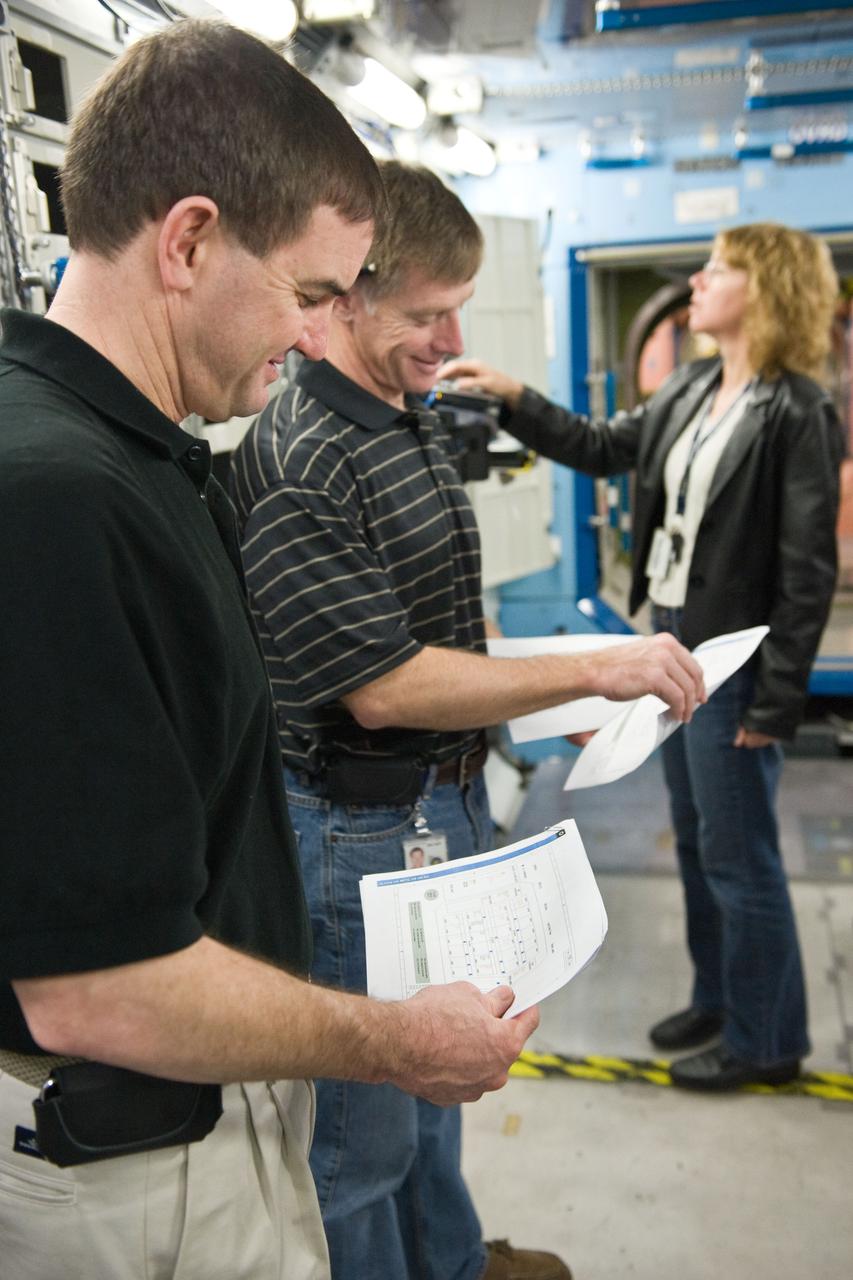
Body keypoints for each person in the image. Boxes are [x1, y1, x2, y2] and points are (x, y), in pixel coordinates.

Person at [0, 24, 550, 1280]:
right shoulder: (52, 502)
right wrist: (394, 1042)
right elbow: (98, 987)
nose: (315, 343)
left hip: (200, 1115)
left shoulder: (145, 460)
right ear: (188, 241)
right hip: (129, 1169)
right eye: (308, 296)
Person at [231, 159, 705, 1280]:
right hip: (355, 834)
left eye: (459, 309)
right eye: (425, 314)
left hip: (440, 807)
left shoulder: (409, 416)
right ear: (345, 292)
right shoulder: (303, 456)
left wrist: (559, 704)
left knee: (444, 1077)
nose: (450, 340)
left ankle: (448, 1262)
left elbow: (443, 627)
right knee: (357, 1139)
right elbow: (385, 684)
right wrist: (596, 665)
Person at [443, 222, 844, 1093]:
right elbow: (601, 446)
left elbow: (806, 570)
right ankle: (718, 999)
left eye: (719, 268)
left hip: (730, 668)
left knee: (740, 858)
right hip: (674, 645)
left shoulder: (799, 410)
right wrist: (513, 397)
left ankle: (766, 1041)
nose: (698, 281)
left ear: (767, 289)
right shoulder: (695, 386)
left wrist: (774, 709)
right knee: (700, 844)